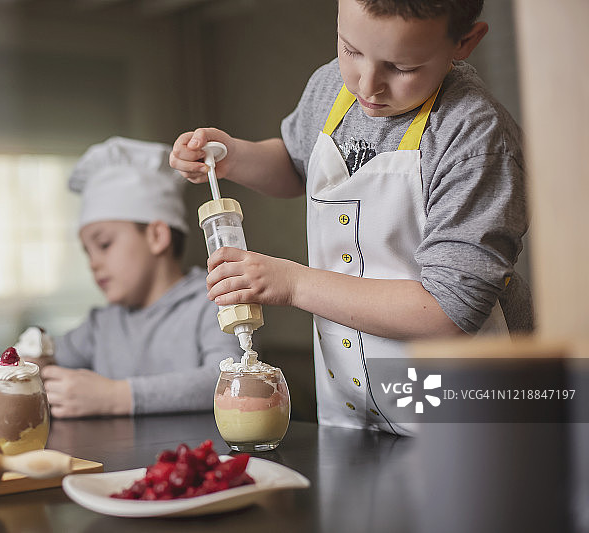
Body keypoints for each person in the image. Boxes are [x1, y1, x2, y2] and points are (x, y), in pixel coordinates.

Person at [170, 0, 532, 435]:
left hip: (462, 417)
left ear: (464, 42)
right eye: (350, 49)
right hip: (351, 405)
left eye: (401, 66)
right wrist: (231, 156)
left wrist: (294, 283)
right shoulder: (330, 88)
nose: (368, 85)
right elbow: (292, 165)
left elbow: (447, 313)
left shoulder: (474, 137)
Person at [41, 136, 241, 418]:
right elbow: (48, 356)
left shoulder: (213, 301)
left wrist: (116, 397)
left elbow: (228, 380)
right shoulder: (103, 324)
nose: (93, 263)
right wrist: (30, 361)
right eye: (87, 252)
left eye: (105, 244)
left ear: (156, 236)